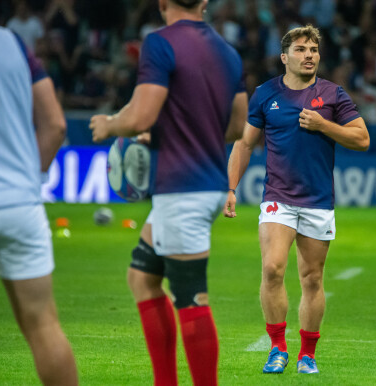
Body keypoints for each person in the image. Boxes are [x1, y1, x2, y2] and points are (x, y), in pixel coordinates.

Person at [88, 1, 248, 385]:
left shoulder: (160, 43)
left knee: (191, 298)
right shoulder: (228, 51)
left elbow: (141, 116)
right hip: (204, 183)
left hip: (182, 189)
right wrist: (181, 131)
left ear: (162, 3)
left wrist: (110, 124)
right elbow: (237, 125)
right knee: (141, 278)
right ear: (205, 2)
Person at [223, 24, 370, 374]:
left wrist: (324, 126)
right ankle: (277, 348)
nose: (309, 55)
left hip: (318, 200)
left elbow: (362, 139)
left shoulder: (333, 94)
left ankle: (308, 354)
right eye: (302, 49)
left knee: (312, 279)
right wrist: (231, 188)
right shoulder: (264, 94)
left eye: (314, 50)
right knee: (272, 268)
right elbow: (244, 144)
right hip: (278, 198)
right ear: (285, 56)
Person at [0, 21, 78, 386]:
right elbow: (55, 125)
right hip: (20, 205)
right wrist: (24, 182)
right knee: (44, 325)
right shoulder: (11, 42)